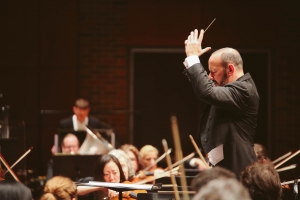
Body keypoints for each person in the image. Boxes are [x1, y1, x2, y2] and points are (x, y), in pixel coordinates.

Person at [183, 29, 260, 177]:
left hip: (237, 171)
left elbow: (206, 91)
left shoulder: (244, 90)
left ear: (230, 69)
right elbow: (206, 87)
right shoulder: (226, 88)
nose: (210, 77)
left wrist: (193, 58)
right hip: (222, 169)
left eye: (213, 72)